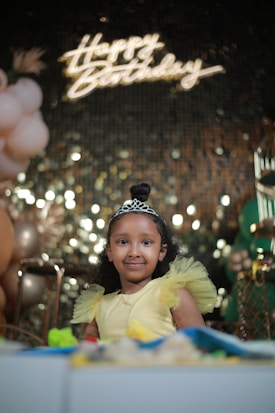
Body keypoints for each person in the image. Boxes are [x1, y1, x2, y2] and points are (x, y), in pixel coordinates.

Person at [71, 182, 217, 342]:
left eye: (146, 242)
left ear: (161, 251)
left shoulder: (172, 294)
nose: (134, 253)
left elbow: (201, 345)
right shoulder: (99, 305)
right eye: (123, 242)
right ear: (109, 252)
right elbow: (89, 348)